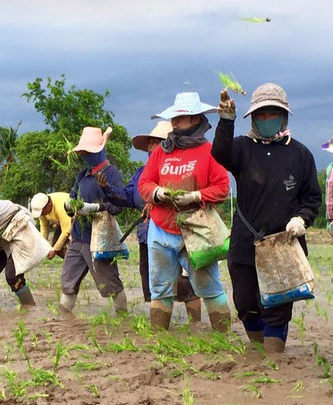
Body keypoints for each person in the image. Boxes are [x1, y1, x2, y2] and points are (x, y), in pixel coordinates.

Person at [212, 84, 321, 352]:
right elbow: (220, 154)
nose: (267, 119)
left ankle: (273, 354)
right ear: (253, 117)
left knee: (277, 305)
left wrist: (301, 220)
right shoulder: (241, 148)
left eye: (273, 113)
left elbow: (311, 198)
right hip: (245, 240)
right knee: (246, 302)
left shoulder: (301, 154)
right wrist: (226, 122)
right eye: (262, 114)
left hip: (284, 243)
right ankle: (257, 348)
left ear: (283, 117)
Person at [138, 92, 232, 331]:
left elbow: (222, 188)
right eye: (174, 118)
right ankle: (160, 337)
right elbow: (144, 183)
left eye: (181, 118)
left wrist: (197, 196)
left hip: (196, 230)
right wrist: (157, 192)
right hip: (161, 229)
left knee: (209, 287)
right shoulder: (161, 151)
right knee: (159, 288)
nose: (175, 122)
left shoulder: (210, 152)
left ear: (196, 120)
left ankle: (222, 338)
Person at [98, 121, 202, 322]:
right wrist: (108, 189)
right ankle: (163, 330)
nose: (152, 147)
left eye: (157, 142)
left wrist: (157, 203)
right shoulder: (141, 173)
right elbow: (127, 197)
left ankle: (195, 323)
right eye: (151, 143)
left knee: (182, 282)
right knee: (152, 283)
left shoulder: (178, 169)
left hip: (174, 233)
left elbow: (184, 197)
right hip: (147, 236)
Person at [58, 127, 129, 316]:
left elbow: (119, 205)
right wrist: (69, 206)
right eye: (82, 152)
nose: (84, 155)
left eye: (87, 152)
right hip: (78, 237)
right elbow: (73, 197)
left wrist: (96, 208)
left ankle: (124, 320)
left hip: (100, 240)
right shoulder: (82, 175)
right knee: (68, 282)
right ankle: (62, 321)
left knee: (110, 283)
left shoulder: (111, 173)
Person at [30, 192, 72, 259]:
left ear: (48, 205)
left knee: (75, 246)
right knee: (57, 248)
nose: (41, 214)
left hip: (75, 221)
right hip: (62, 223)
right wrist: (44, 247)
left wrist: (54, 250)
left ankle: (77, 263)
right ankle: (71, 265)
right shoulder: (42, 210)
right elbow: (44, 226)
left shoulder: (61, 207)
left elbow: (66, 231)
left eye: (42, 212)